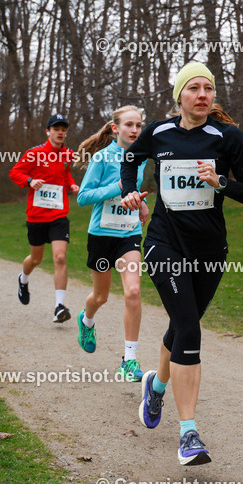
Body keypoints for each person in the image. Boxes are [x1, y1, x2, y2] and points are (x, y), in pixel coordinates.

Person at [120, 62, 243, 466]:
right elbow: (130, 161)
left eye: (209, 89)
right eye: (194, 88)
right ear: (179, 96)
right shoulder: (159, 133)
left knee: (181, 324)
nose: (203, 95)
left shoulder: (227, 138)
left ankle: (157, 385)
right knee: (190, 327)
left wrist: (221, 182)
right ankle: (189, 435)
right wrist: (130, 192)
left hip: (209, 252)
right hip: (165, 244)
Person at [75, 105, 150, 382]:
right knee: (101, 297)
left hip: (129, 233)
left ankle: (129, 360)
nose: (135, 130)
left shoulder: (140, 158)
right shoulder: (102, 158)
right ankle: (87, 320)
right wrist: (117, 187)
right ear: (115, 128)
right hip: (101, 234)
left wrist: (141, 203)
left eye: (139, 125)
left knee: (133, 292)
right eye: (129, 125)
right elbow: (83, 197)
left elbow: (134, 190)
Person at [9, 114, 80, 323]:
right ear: (47, 131)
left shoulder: (68, 154)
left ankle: (59, 306)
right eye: (56, 129)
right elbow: (15, 173)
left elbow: (65, 175)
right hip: (37, 215)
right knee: (36, 259)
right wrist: (30, 180)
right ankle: (23, 279)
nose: (60, 133)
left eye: (63, 129)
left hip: (58, 214)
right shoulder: (34, 153)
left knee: (60, 257)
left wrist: (72, 185)